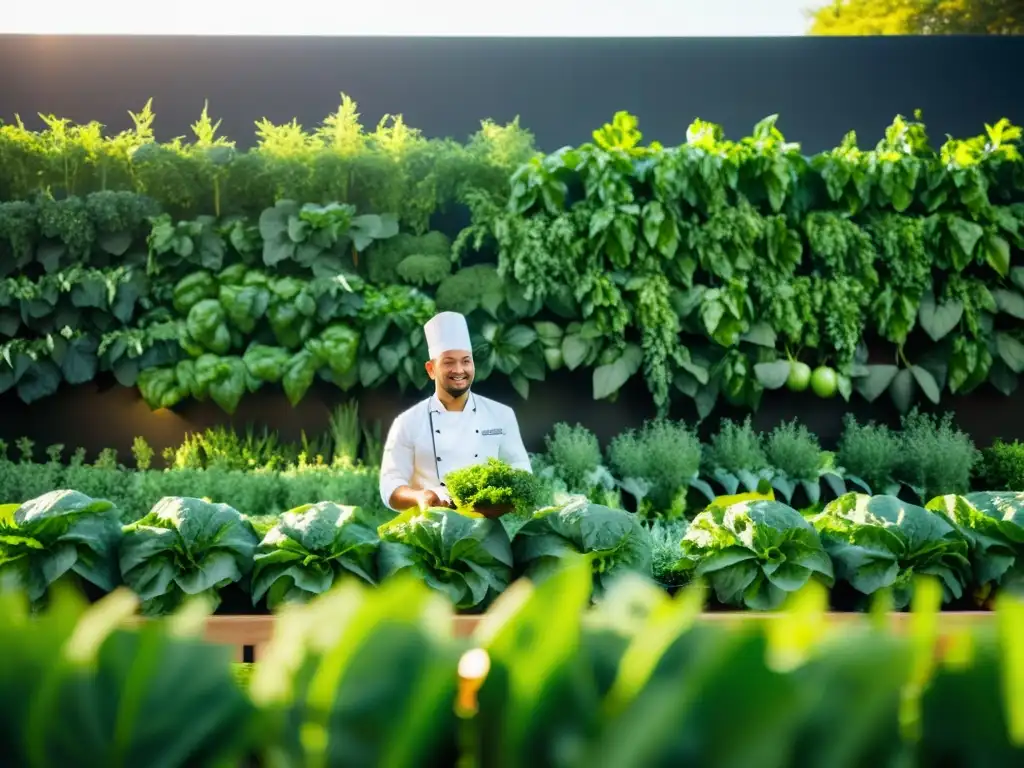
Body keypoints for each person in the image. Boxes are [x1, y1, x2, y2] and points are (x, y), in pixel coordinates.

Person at [378, 310, 532, 512]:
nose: (459, 370)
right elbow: (390, 483)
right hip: (429, 528)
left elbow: (521, 470)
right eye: (449, 362)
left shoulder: (501, 415)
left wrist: (499, 501)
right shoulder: (407, 422)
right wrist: (420, 497)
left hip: (485, 530)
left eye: (466, 360)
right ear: (431, 369)